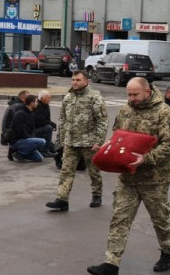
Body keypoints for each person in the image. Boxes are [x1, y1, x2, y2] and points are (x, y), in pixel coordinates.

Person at [87, 78, 170, 275]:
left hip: (154, 179)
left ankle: (168, 253)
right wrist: (106, 148)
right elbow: (117, 137)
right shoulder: (125, 110)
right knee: (120, 218)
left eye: (135, 94)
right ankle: (111, 264)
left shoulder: (164, 112)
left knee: (160, 219)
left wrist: (146, 159)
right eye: (128, 94)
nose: (131, 98)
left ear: (147, 91)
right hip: (127, 177)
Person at [47, 70, 107, 212]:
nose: (74, 82)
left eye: (78, 80)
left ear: (86, 81)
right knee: (66, 171)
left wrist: (99, 141)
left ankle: (97, 195)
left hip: (89, 142)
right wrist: (62, 139)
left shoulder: (94, 97)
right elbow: (62, 119)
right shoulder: (68, 97)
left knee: (93, 171)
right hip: (70, 142)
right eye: (73, 79)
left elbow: (102, 120)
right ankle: (62, 199)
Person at [7, 95, 48, 162]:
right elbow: (20, 131)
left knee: (39, 158)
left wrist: (32, 139)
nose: (37, 104)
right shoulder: (20, 114)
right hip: (17, 140)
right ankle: (18, 152)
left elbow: (32, 129)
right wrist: (31, 139)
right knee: (42, 141)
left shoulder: (31, 114)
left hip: (26, 140)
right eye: (36, 102)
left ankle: (19, 152)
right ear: (32, 103)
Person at [32, 90, 57, 157]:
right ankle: (44, 151)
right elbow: (39, 121)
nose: (50, 99)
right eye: (48, 97)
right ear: (42, 98)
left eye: (50, 97)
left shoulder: (45, 105)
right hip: (33, 130)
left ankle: (46, 148)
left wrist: (51, 123)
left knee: (55, 149)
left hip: (39, 129)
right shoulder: (38, 106)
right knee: (48, 128)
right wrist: (51, 124)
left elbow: (46, 119)